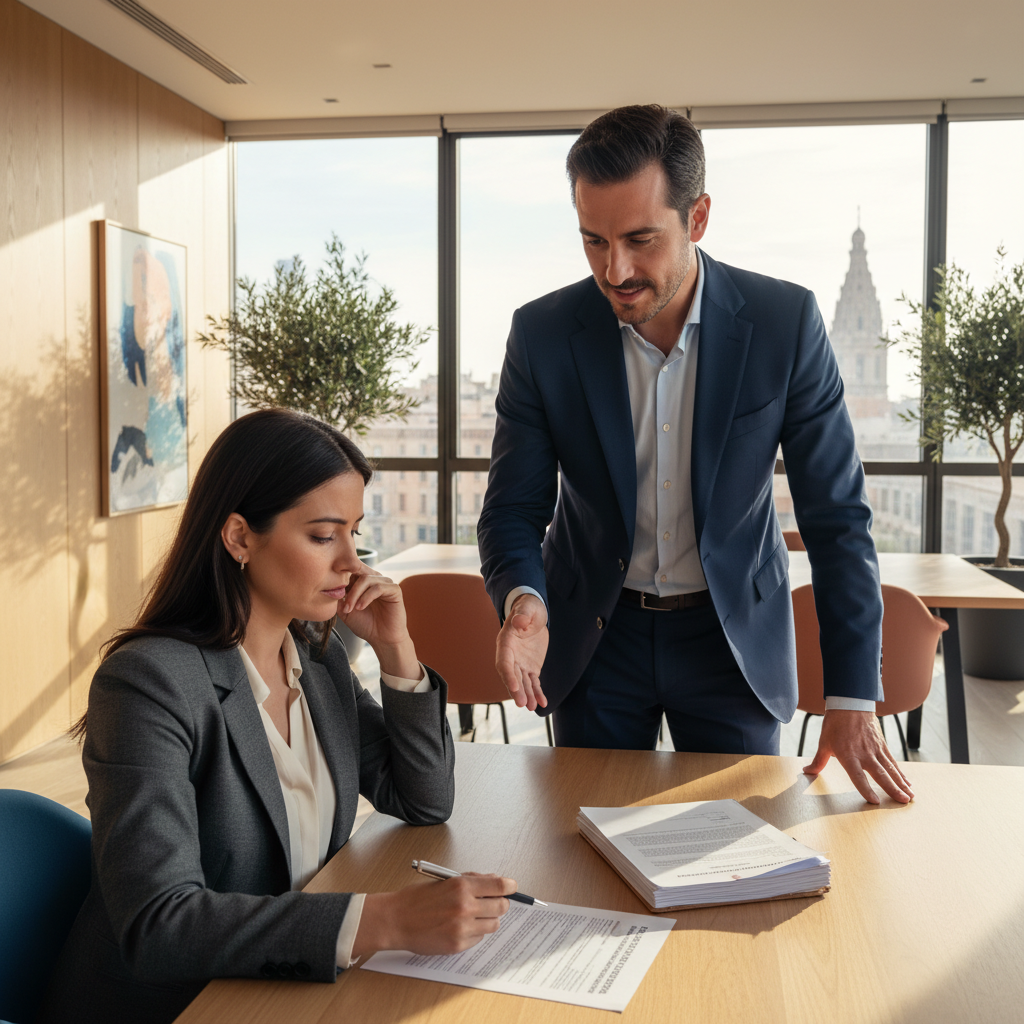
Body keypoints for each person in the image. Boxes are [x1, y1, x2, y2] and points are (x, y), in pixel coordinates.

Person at [477, 104, 913, 806]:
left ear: (698, 217)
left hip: (731, 640)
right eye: (593, 241)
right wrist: (524, 602)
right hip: (597, 638)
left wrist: (853, 695)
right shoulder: (542, 335)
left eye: (640, 239)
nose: (615, 270)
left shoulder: (785, 324)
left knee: (738, 850)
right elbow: (513, 509)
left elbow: (837, 519)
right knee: (584, 842)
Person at [40, 409, 515, 1024]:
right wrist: (385, 919)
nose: (353, 563)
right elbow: (159, 924)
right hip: (182, 1005)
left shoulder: (317, 659)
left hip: (290, 984)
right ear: (240, 537)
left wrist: (397, 650)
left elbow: (424, 799)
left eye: (354, 533)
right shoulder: (148, 683)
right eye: (323, 536)